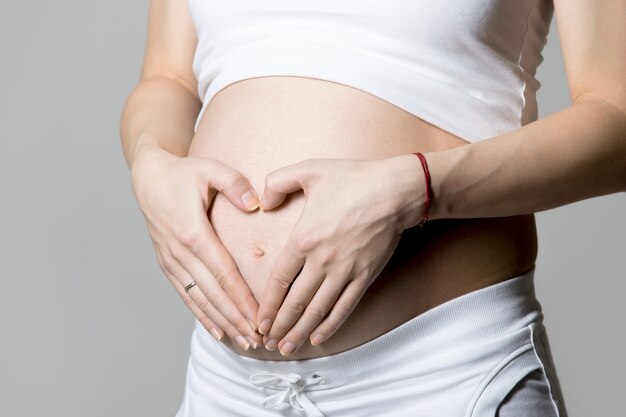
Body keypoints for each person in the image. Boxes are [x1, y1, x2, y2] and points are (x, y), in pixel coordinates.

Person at [119, 1, 625, 416]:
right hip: (225, 390)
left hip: (445, 377)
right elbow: (167, 77)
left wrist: (416, 188)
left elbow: (618, 121)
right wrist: (150, 166)